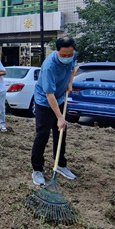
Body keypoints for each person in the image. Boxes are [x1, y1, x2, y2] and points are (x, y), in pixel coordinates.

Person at [31, 37, 77, 186]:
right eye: (63, 55)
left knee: (61, 132)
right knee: (42, 135)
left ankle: (60, 165)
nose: (67, 57)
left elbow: (72, 69)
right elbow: (49, 94)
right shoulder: (49, 66)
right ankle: (37, 169)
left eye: (69, 54)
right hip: (44, 101)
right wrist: (59, 117)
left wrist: (69, 83)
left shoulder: (72, 55)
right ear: (56, 51)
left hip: (60, 97)